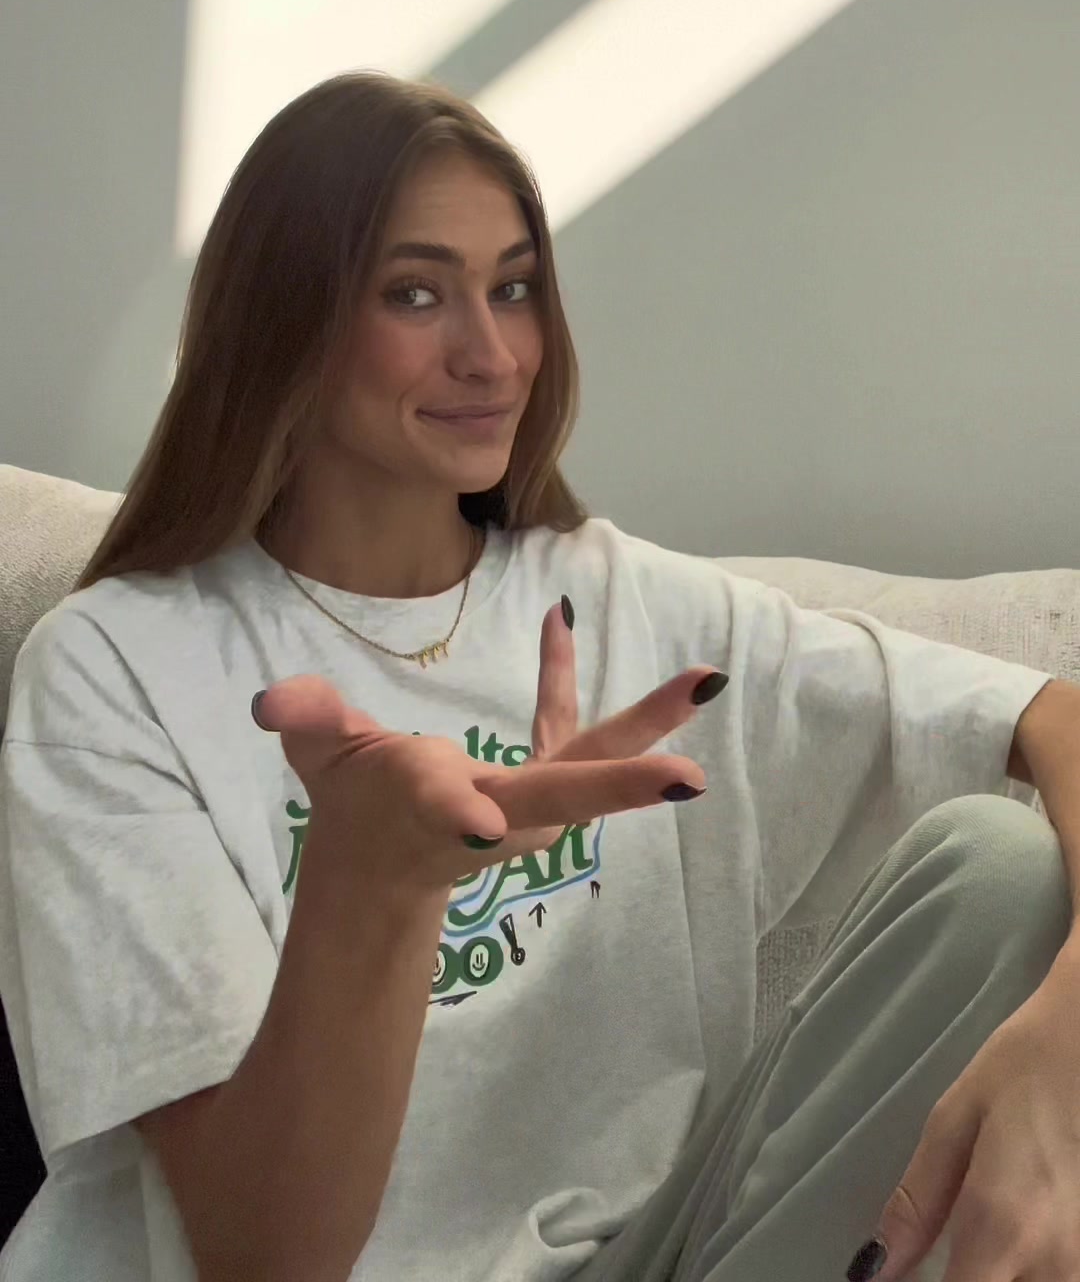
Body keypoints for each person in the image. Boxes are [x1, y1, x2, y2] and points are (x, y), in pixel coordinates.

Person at [0, 70, 1069, 1282]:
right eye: (416, 294)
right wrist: (374, 889)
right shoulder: (117, 669)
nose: (493, 353)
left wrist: (1063, 1054)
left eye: (512, 288)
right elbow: (260, 1258)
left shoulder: (622, 604)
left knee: (1002, 866)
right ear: (285, 316)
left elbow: (1057, 719)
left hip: (657, 1257)